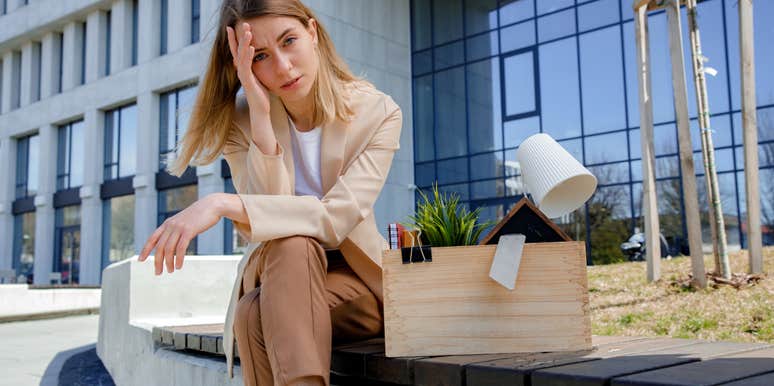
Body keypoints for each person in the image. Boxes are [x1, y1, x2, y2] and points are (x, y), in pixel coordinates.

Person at [137, 1, 403, 385]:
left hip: (356, 281)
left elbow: (335, 220)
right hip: (278, 269)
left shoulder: (377, 112)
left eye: (289, 41)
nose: (282, 67)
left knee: (252, 314)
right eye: (260, 56)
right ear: (242, 64)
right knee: (290, 246)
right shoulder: (239, 122)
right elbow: (269, 227)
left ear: (312, 33)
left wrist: (221, 203)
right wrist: (261, 119)